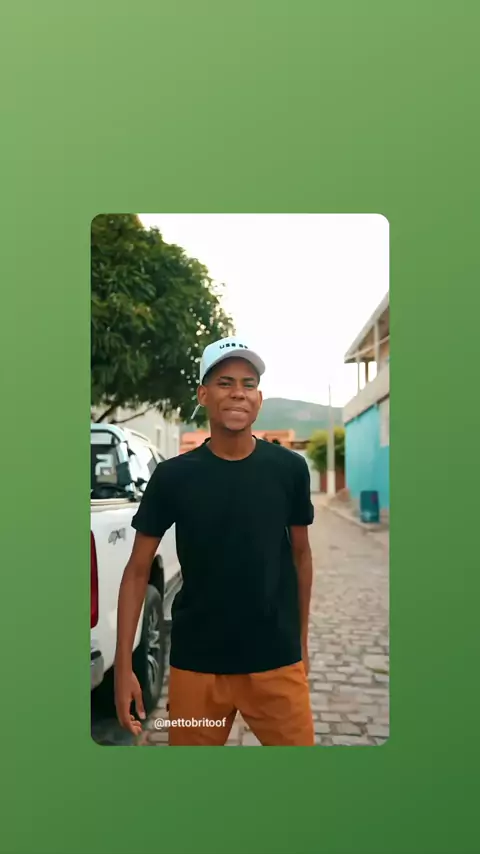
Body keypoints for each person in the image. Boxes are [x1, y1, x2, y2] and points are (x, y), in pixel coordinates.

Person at [114, 336, 315, 745]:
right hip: (197, 667)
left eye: (248, 383)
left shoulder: (289, 469)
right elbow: (136, 572)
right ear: (203, 394)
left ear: (259, 399)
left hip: (276, 662)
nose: (238, 392)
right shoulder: (173, 477)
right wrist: (123, 667)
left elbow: (301, 555)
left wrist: (302, 642)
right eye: (225, 382)